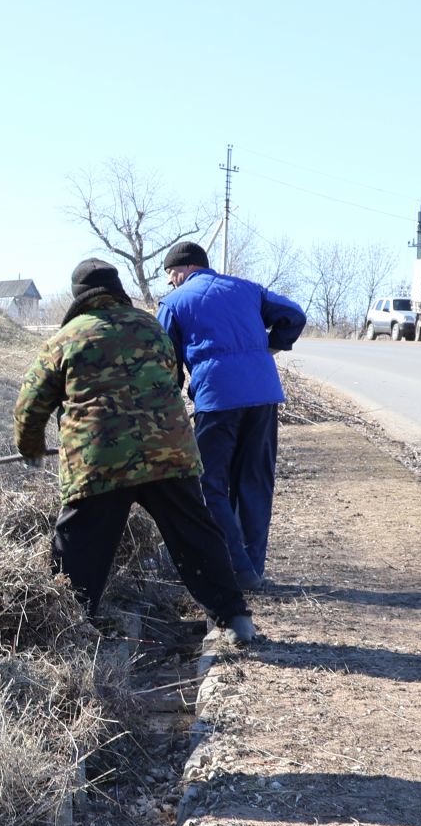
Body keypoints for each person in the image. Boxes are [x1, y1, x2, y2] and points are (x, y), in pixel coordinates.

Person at [15, 260, 258, 646]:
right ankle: (235, 617)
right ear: (118, 291)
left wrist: (29, 447)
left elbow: (31, 404)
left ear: (79, 297)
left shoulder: (66, 338)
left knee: (78, 545)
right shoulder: (151, 327)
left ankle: (69, 630)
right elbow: (172, 379)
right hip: (169, 453)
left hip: (100, 461)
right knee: (196, 535)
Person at [156, 240, 306, 591]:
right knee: (254, 481)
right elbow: (294, 315)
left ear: (183, 268)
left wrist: (170, 407)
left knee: (209, 486)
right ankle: (253, 568)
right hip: (264, 395)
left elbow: (167, 365)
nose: (170, 282)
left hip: (217, 399)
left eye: (170, 275)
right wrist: (270, 346)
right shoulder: (247, 289)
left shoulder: (174, 303)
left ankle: (237, 569)